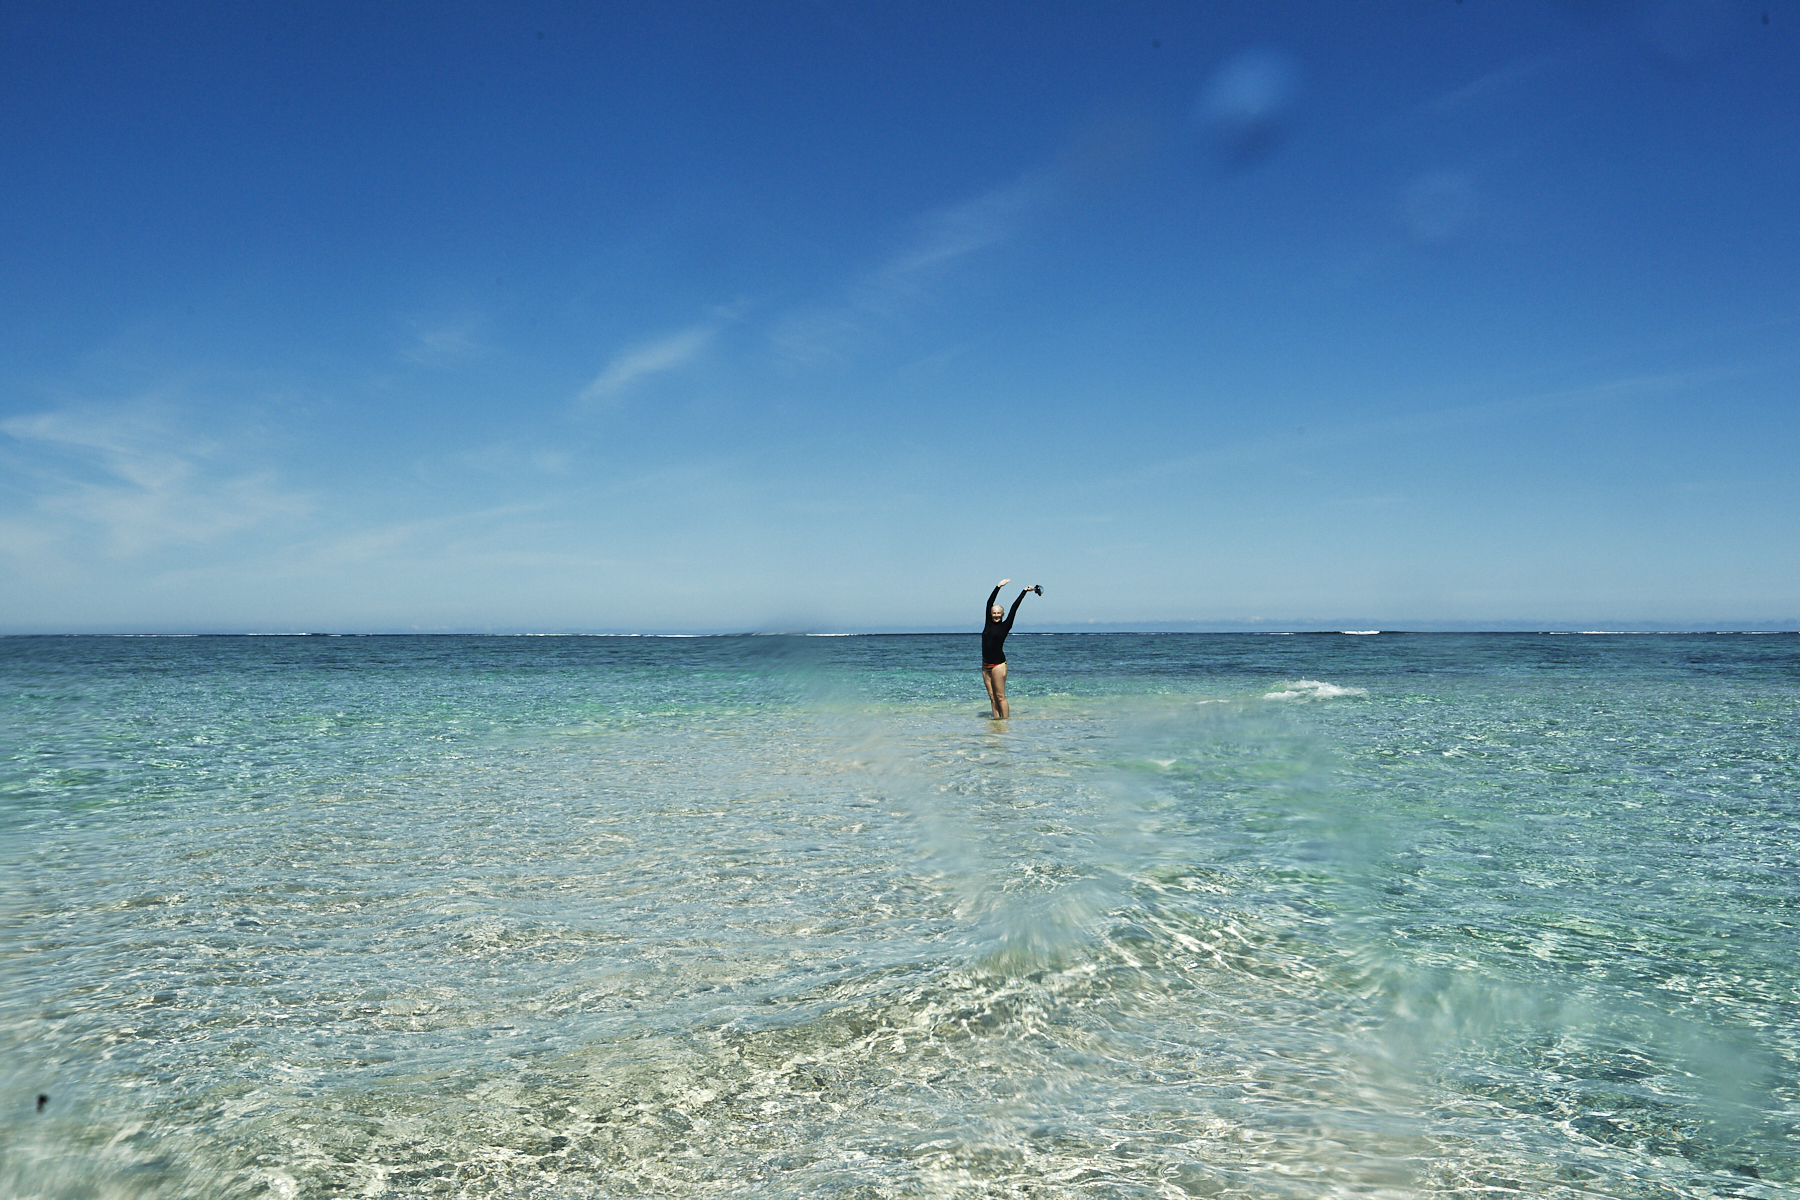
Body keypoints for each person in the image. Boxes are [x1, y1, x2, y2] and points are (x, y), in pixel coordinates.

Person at [981, 577, 1040, 719]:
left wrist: (1024, 592)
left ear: (1002, 614)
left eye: (998, 613)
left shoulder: (1006, 625)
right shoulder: (988, 623)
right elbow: (989, 602)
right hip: (985, 665)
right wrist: (998, 586)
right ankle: (996, 723)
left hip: (998, 665)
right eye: (993, 613)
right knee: (991, 696)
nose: (996, 615)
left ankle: (1005, 723)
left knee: (1000, 696)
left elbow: (1014, 607)